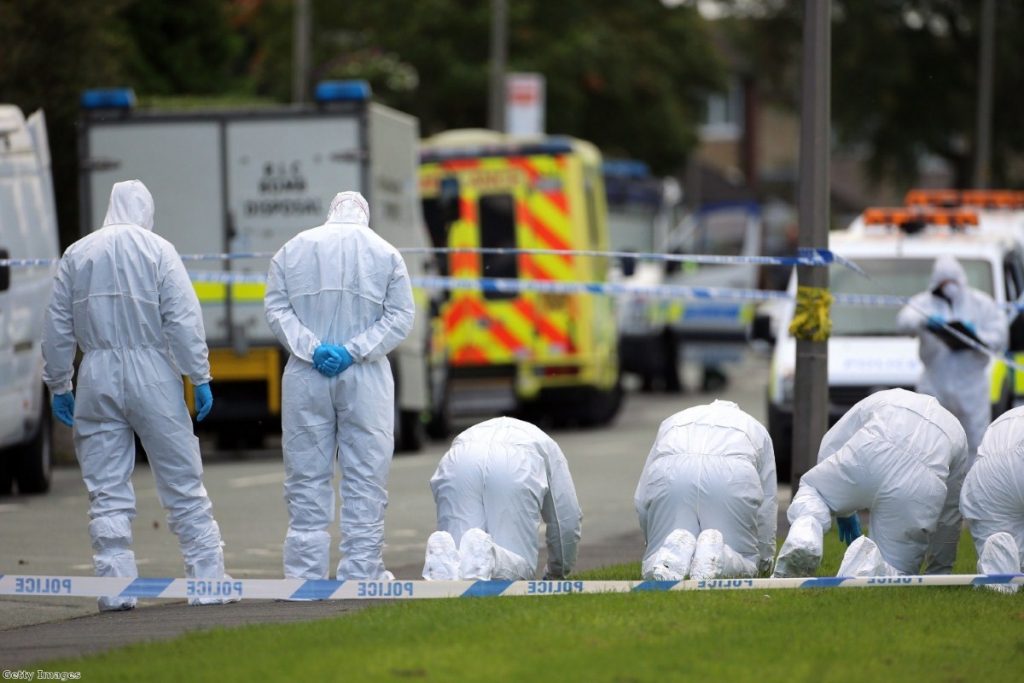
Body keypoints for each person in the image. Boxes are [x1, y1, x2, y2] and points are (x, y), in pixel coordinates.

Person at [41, 180, 231, 611]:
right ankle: (207, 580)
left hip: (97, 374)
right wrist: (198, 374)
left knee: (106, 487)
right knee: (182, 479)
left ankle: (115, 587)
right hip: (153, 373)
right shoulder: (158, 250)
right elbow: (182, 317)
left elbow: (56, 326)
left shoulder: (78, 253)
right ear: (146, 210)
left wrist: (59, 383)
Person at [265, 191, 414, 581]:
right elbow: (400, 317)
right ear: (364, 215)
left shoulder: (293, 249)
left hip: (306, 374)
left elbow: (276, 308)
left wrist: (313, 349)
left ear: (330, 212)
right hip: (365, 376)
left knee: (305, 475)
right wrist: (353, 351)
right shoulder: (386, 253)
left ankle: (304, 575)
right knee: (365, 475)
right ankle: (360, 573)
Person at [774, 388, 968, 578]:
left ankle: (805, 534)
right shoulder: (957, 432)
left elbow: (833, 440)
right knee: (895, 573)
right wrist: (940, 573)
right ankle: (866, 566)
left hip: (869, 453)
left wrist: (843, 508)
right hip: (919, 486)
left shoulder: (887, 397)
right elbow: (949, 513)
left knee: (814, 492)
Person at [422, 417, 583, 581]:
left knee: (458, 564)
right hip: (517, 460)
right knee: (520, 572)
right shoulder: (548, 446)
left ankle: (443, 560)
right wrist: (557, 572)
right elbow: (566, 520)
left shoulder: (478, 431)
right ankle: (489, 556)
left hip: (459, 457)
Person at [634, 400, 777, 581]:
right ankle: (718, 556)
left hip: (672, 473)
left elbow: (642, 498)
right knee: (745, 560)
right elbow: (767, 504)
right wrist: (764, 560)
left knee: (657, 559)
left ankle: (664, 555)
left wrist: (653, 541)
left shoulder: (672, 421)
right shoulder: (756, 428)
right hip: (731, 476)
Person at [897, 255, 1007, 465]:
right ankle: (936, 492)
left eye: (953, 282)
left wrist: (976, 337)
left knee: (976, 441)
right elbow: (904, 322)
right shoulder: (924, 303)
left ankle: (972, 491)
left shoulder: (981, 303)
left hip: (971, 385)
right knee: (929, 440)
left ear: (961, 280)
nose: (949, 287)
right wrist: (924, 319)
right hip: (934, 382)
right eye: (944, 283)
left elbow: (999, 336)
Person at [960, 406, 1024, 593]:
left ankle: (1001, 576)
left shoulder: (1010, 417)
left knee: (1003, 572)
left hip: (988, 477)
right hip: (1005, 467)